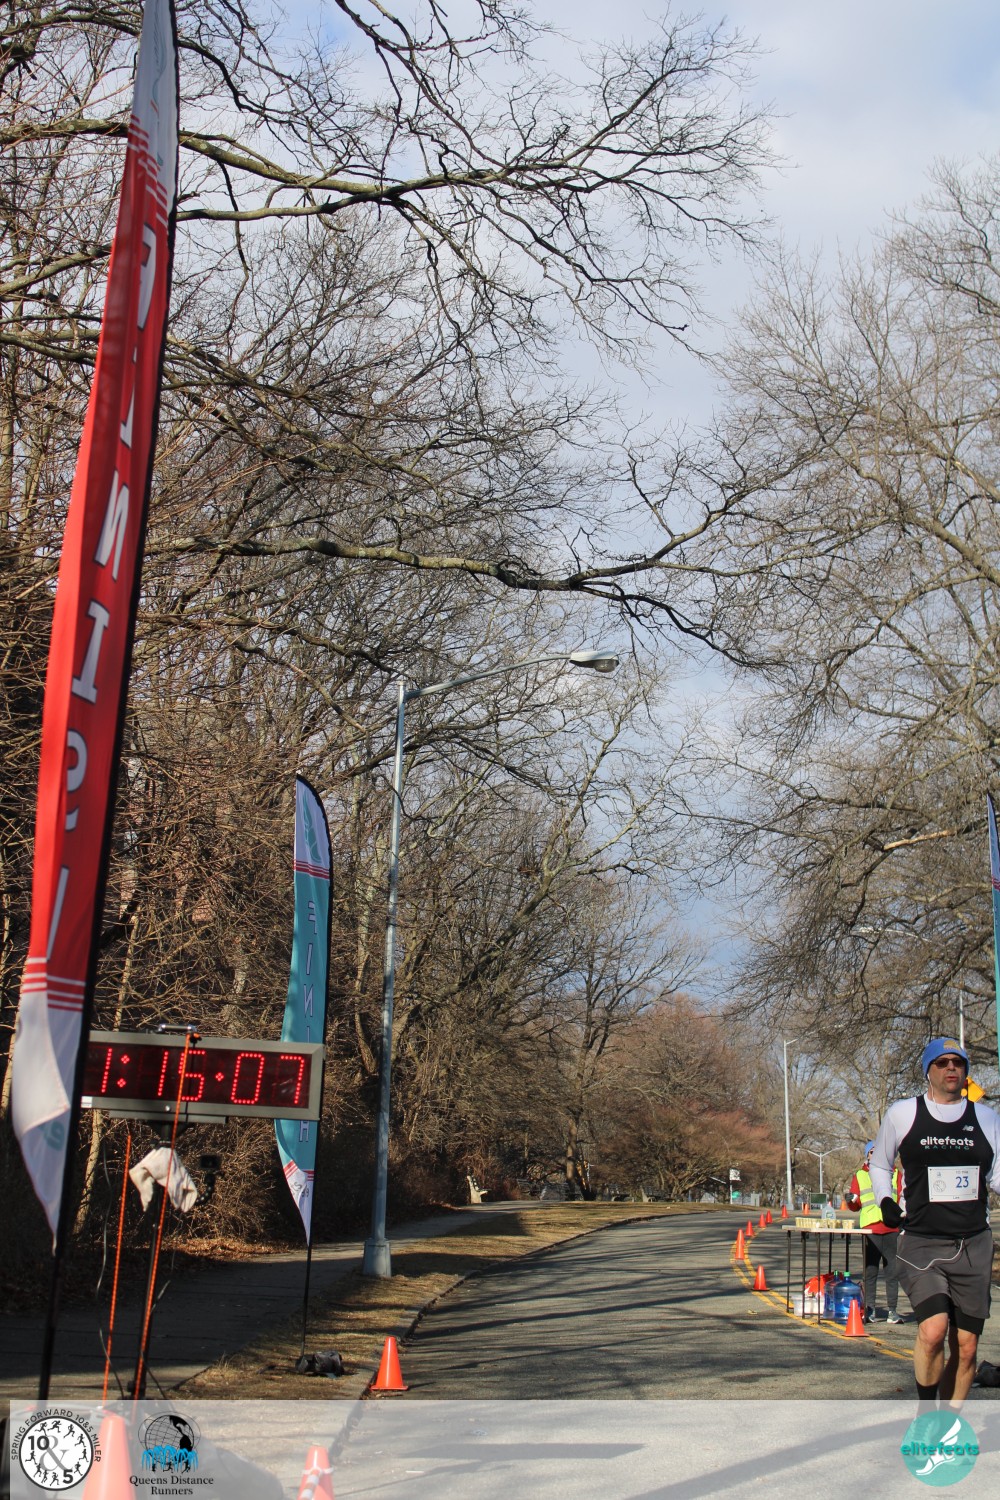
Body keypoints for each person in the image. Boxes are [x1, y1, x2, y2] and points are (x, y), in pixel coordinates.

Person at [870, 1037, 1000, 1409]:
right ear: (928, 1071)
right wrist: (884, 1200)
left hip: (973, 1245)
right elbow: (880, 1163)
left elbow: (996, 1176)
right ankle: (927, 1414)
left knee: (967, 1345)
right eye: (942, 1062)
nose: (951, 1068)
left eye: (958, 1062)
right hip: (922, 1243)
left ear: (966, 1071)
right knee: (933, 1330)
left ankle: (949, 1423)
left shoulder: (986, 1119)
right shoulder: (903, 1114)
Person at [845, 1141, 903, 1323]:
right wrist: (851, 1200)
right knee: (870, 1272)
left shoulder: (896, 1174)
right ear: (867, 1155)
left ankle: (892, 1311)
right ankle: (869, 1311)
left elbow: (902, 1198)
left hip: (892, 1228)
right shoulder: (860, 1175)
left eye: (879, 1152)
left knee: (892, 1272)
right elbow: (855, 1205)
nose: (876, 1155)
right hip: (870, 1229)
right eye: (872, 1152)